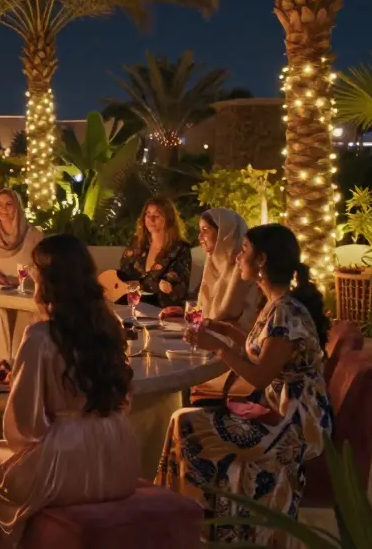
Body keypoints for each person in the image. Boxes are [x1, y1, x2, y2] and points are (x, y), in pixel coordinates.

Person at [0, 234, 139, 548]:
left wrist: (25, 384)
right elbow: (120, 397)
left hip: (69, 463)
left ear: (48, 281)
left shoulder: (40, 336)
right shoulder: (109, 326)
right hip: (119, 456)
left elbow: (26, 428)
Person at [159, 224, 333, 544]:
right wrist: (213, 326)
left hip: (293, 424)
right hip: (275, 410)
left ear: (262, 260)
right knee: (184, 421)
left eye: (244, 251)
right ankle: (181, 523)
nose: (238, 258)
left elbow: (259, 374)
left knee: (186, 424)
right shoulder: (276, 304)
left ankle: (187, 526)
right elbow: (257, 349)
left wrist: (217, 346)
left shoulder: (285, 312)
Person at [113, 197, 192, 309]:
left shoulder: (180, 249)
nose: (151, 219)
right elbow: (123, 275)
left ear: (169, 219)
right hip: (131, 309)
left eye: (157, 215)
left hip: (163, 311)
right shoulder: (138, 244)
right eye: (148, 214)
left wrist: (140, 285)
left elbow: (177, 288)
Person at [196, 208, 260, 330]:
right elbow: (202, 312)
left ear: (224, 233)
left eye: (205, 230)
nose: (200, 236)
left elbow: (232, 320)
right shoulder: (212, 263)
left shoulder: (244, 269)